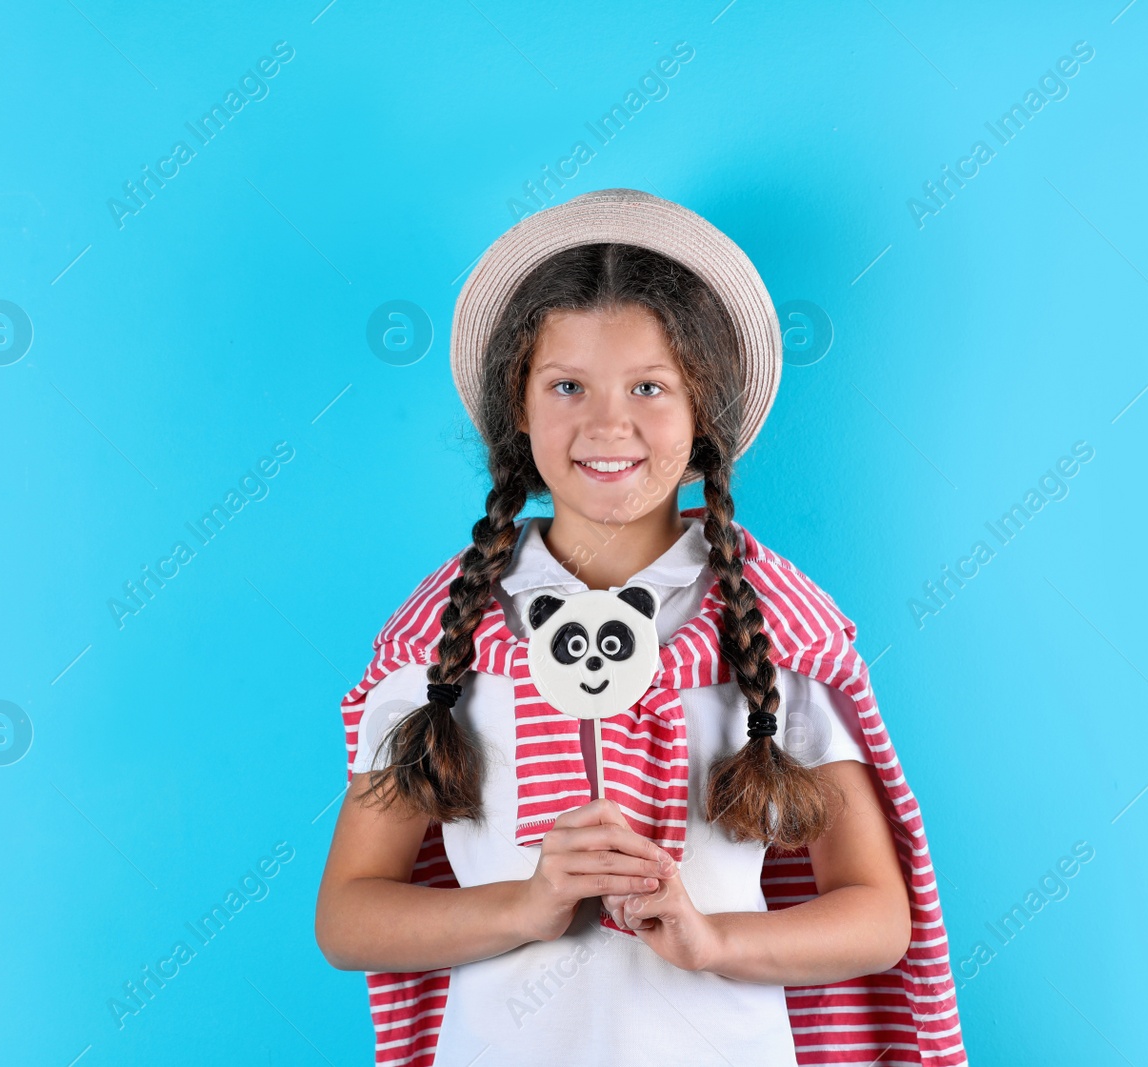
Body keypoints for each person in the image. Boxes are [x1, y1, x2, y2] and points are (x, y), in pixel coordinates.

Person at [315, 189, 965, 1066]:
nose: (607, 424)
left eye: (650, 386)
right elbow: (351, 912)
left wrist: (713, 939)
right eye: (567, 385)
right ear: (519, 403)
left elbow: (879, 916)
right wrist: (525, 904)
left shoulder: (773, 635)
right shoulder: (445, 643)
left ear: (704, 412)